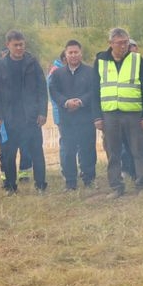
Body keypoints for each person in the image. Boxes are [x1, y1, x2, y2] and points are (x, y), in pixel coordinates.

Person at [0, 31, 48, 195]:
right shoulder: (0, 65)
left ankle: (41, 185)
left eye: (21, 44)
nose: (19, 48)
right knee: (8, 154)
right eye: (16, 45)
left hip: (31, 117)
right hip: (9, 118)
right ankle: (10, 186)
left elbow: (42, 89)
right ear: (8, 45)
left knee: (36, 151)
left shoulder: (33, 63)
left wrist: (42, 112)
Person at [96, 27, 143, 197]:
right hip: (110, 114)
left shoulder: (137, 60)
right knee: (113, 152)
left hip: (133, 114)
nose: (123, 46)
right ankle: (116, 187)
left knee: (138, 150)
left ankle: (142, 185)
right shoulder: (100, 60)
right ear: (110, 43)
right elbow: (94, 89)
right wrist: (97, 116)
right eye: (119, 43)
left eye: (126, 42)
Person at [49, 40, 100, 191]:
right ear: (65, 54)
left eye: (76, 52)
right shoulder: (57, 74)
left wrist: (80, 101)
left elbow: (94, 92)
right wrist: (65, 102)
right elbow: (53, 92)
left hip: (86, 117)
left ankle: (89, 179)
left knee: (88, 149)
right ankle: (70, 182)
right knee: (68, 150)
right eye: (70, 52)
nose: (73, 55)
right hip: (67, 119)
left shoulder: (91, 72)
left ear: (81, 53)